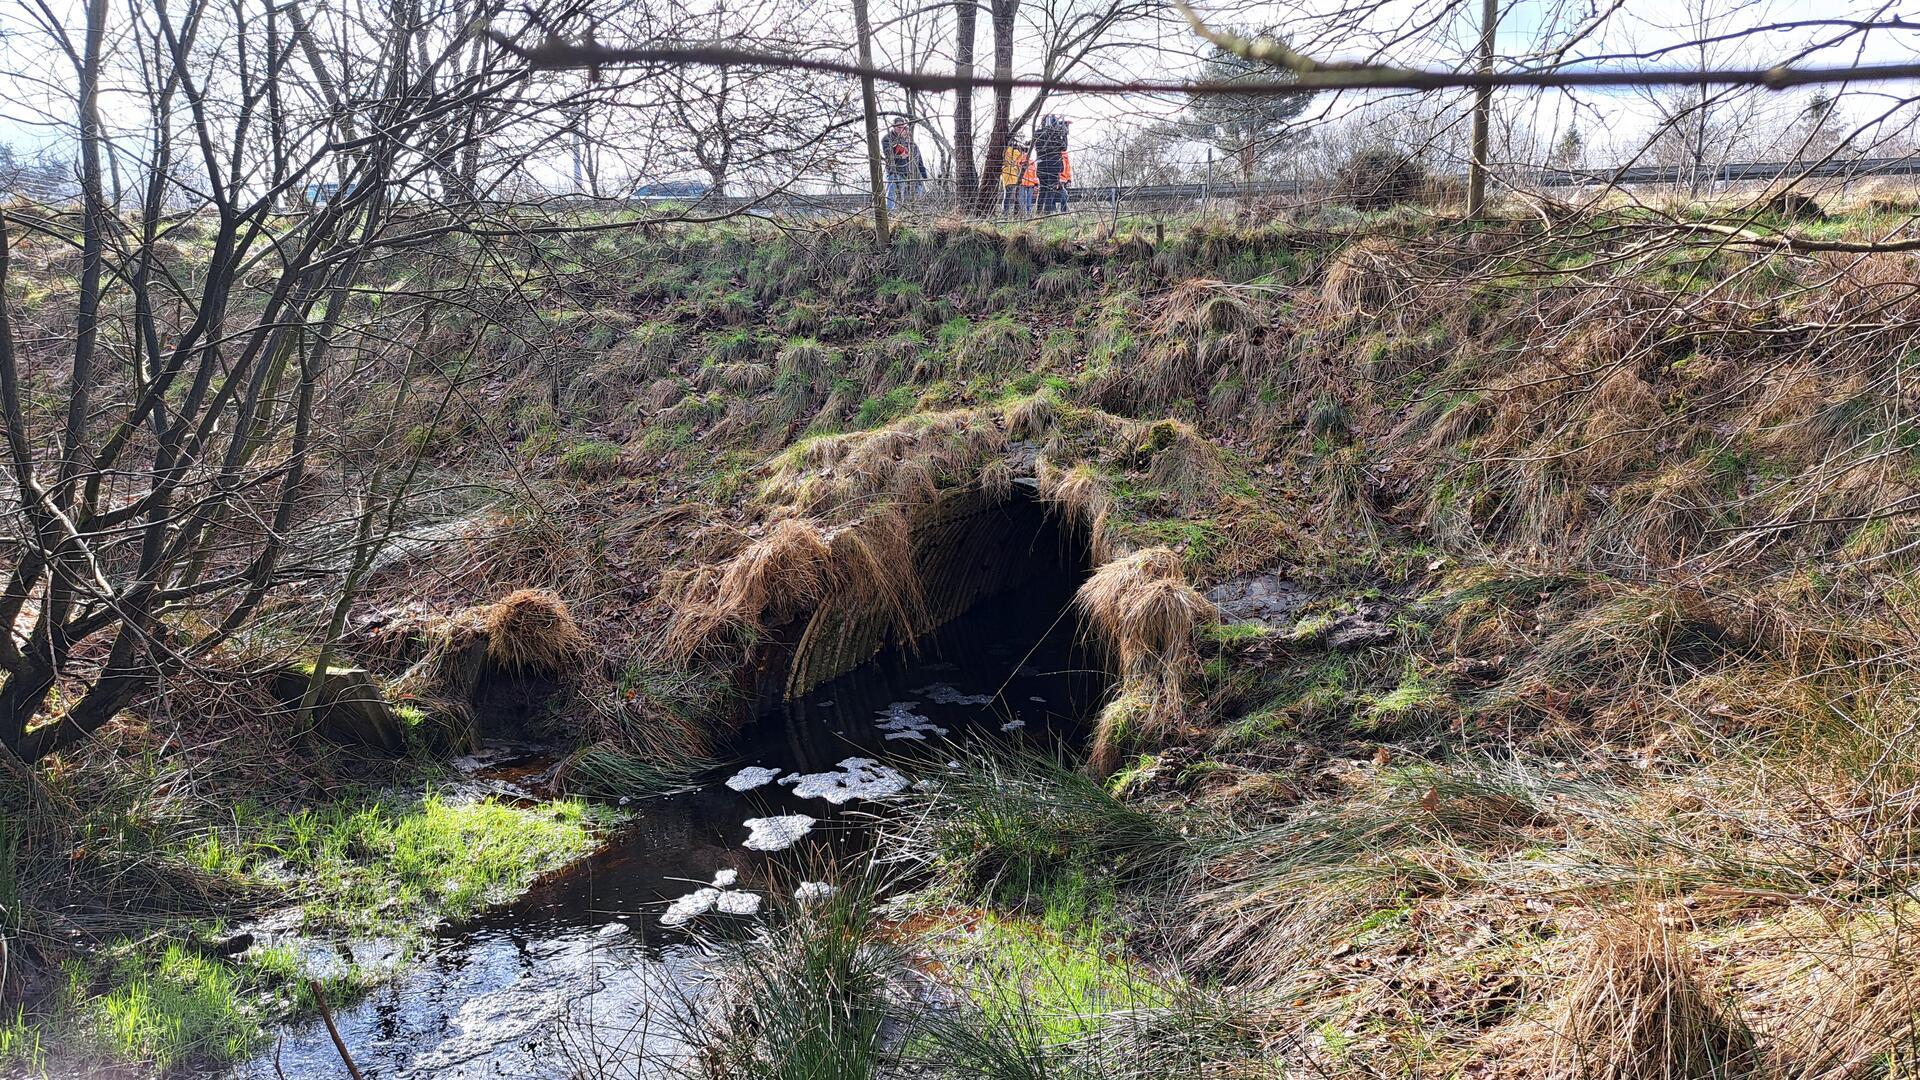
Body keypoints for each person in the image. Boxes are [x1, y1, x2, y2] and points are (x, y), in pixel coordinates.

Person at [881, 118, 926, 210]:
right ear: (893, 127)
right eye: (898, 127)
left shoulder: (912, 144)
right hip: (896, 171)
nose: (901, 129)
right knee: (892, 194)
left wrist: (923, 174)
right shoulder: (887, 139)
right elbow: (888, 155)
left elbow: (919, 161)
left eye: (903, 127)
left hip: (912, 174)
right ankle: (890, 214)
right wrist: (900, 156)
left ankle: (913, 212)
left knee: (918, 192)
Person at [1033, 115, 1069, 213]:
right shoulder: (1055, 134)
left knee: (1042, 190)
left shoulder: (1037, 133)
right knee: (1050, 190)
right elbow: (1064, 147)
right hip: (1053, 165)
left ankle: (1038, 212)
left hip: (1041, 166)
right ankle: (1046, 212)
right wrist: (1064, 134)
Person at [1000, 141, 1033, 215]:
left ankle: (1005, 212)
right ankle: (1015, 212)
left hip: (1007, 174)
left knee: (1008, 195)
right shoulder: (1018, 153)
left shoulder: (1005, 150)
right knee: (1015, 195)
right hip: (1014, 175)